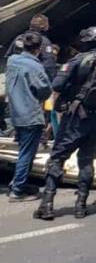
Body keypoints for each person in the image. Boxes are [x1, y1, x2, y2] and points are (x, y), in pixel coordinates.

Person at [34, 27, 96, 220]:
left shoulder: (78, 60)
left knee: (58, 158)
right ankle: (81, 206)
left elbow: (57, 85)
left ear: (87, 42)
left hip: (75, 118)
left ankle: (47, 204)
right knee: (87, 162)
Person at [5, 32, 52, 201]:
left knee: (23, 150)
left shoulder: (11, 61)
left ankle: (19, 183)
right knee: (27, 153)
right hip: (30, 114)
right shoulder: (35, 66)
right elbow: (45, 90)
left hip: (15, 114)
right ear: (38, 49)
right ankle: (17, 190)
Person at [5, 14, 57, 82]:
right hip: (34, 80)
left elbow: (9, 56)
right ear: (43, 26)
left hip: (16, 78)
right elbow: (49, 65)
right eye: (47, 23)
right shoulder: (44, 42)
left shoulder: (19, 38)